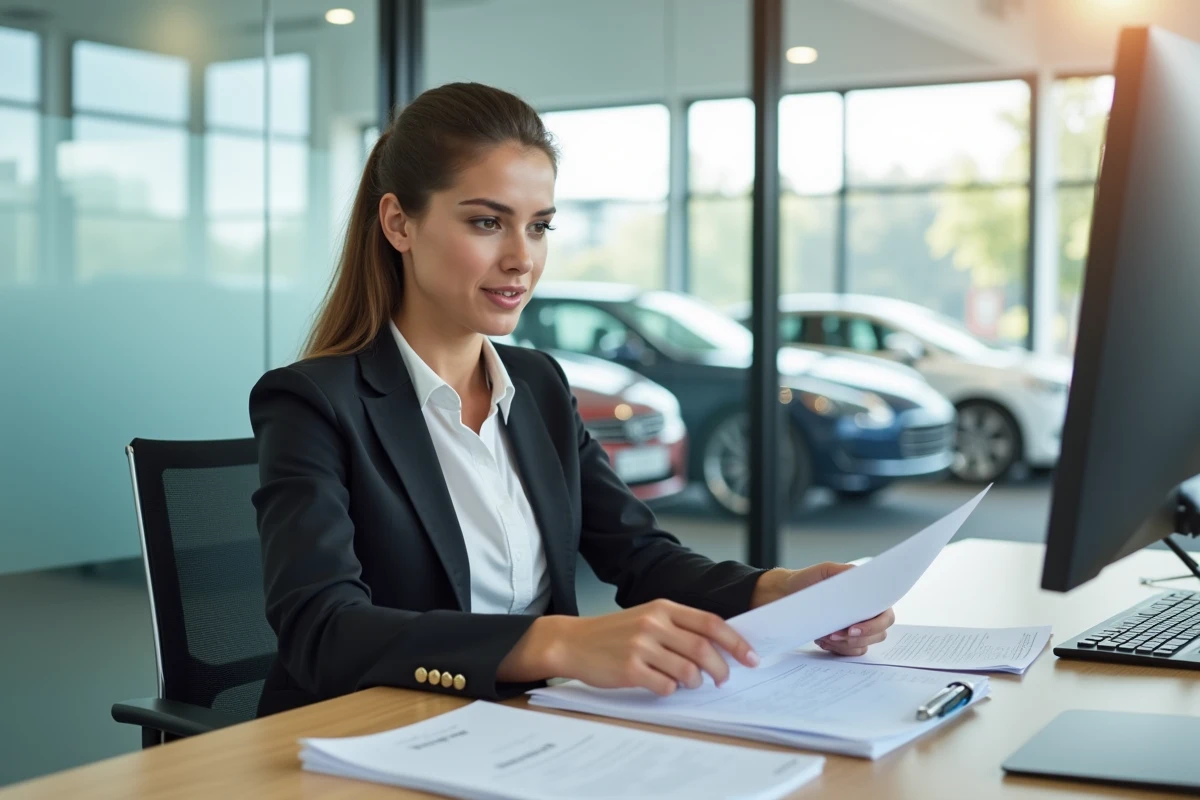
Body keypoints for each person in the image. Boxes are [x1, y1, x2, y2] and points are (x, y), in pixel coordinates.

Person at [249, 82, 894, 718]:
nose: (521, 259)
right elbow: (321, 628)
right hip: (371, 734)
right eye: (486, 222)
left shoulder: (539, 386)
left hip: (531, 725)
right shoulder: (313, 402)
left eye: (539, 227)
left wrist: (781, 590)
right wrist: (558, 643)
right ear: (399, 223)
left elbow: (640, 556)